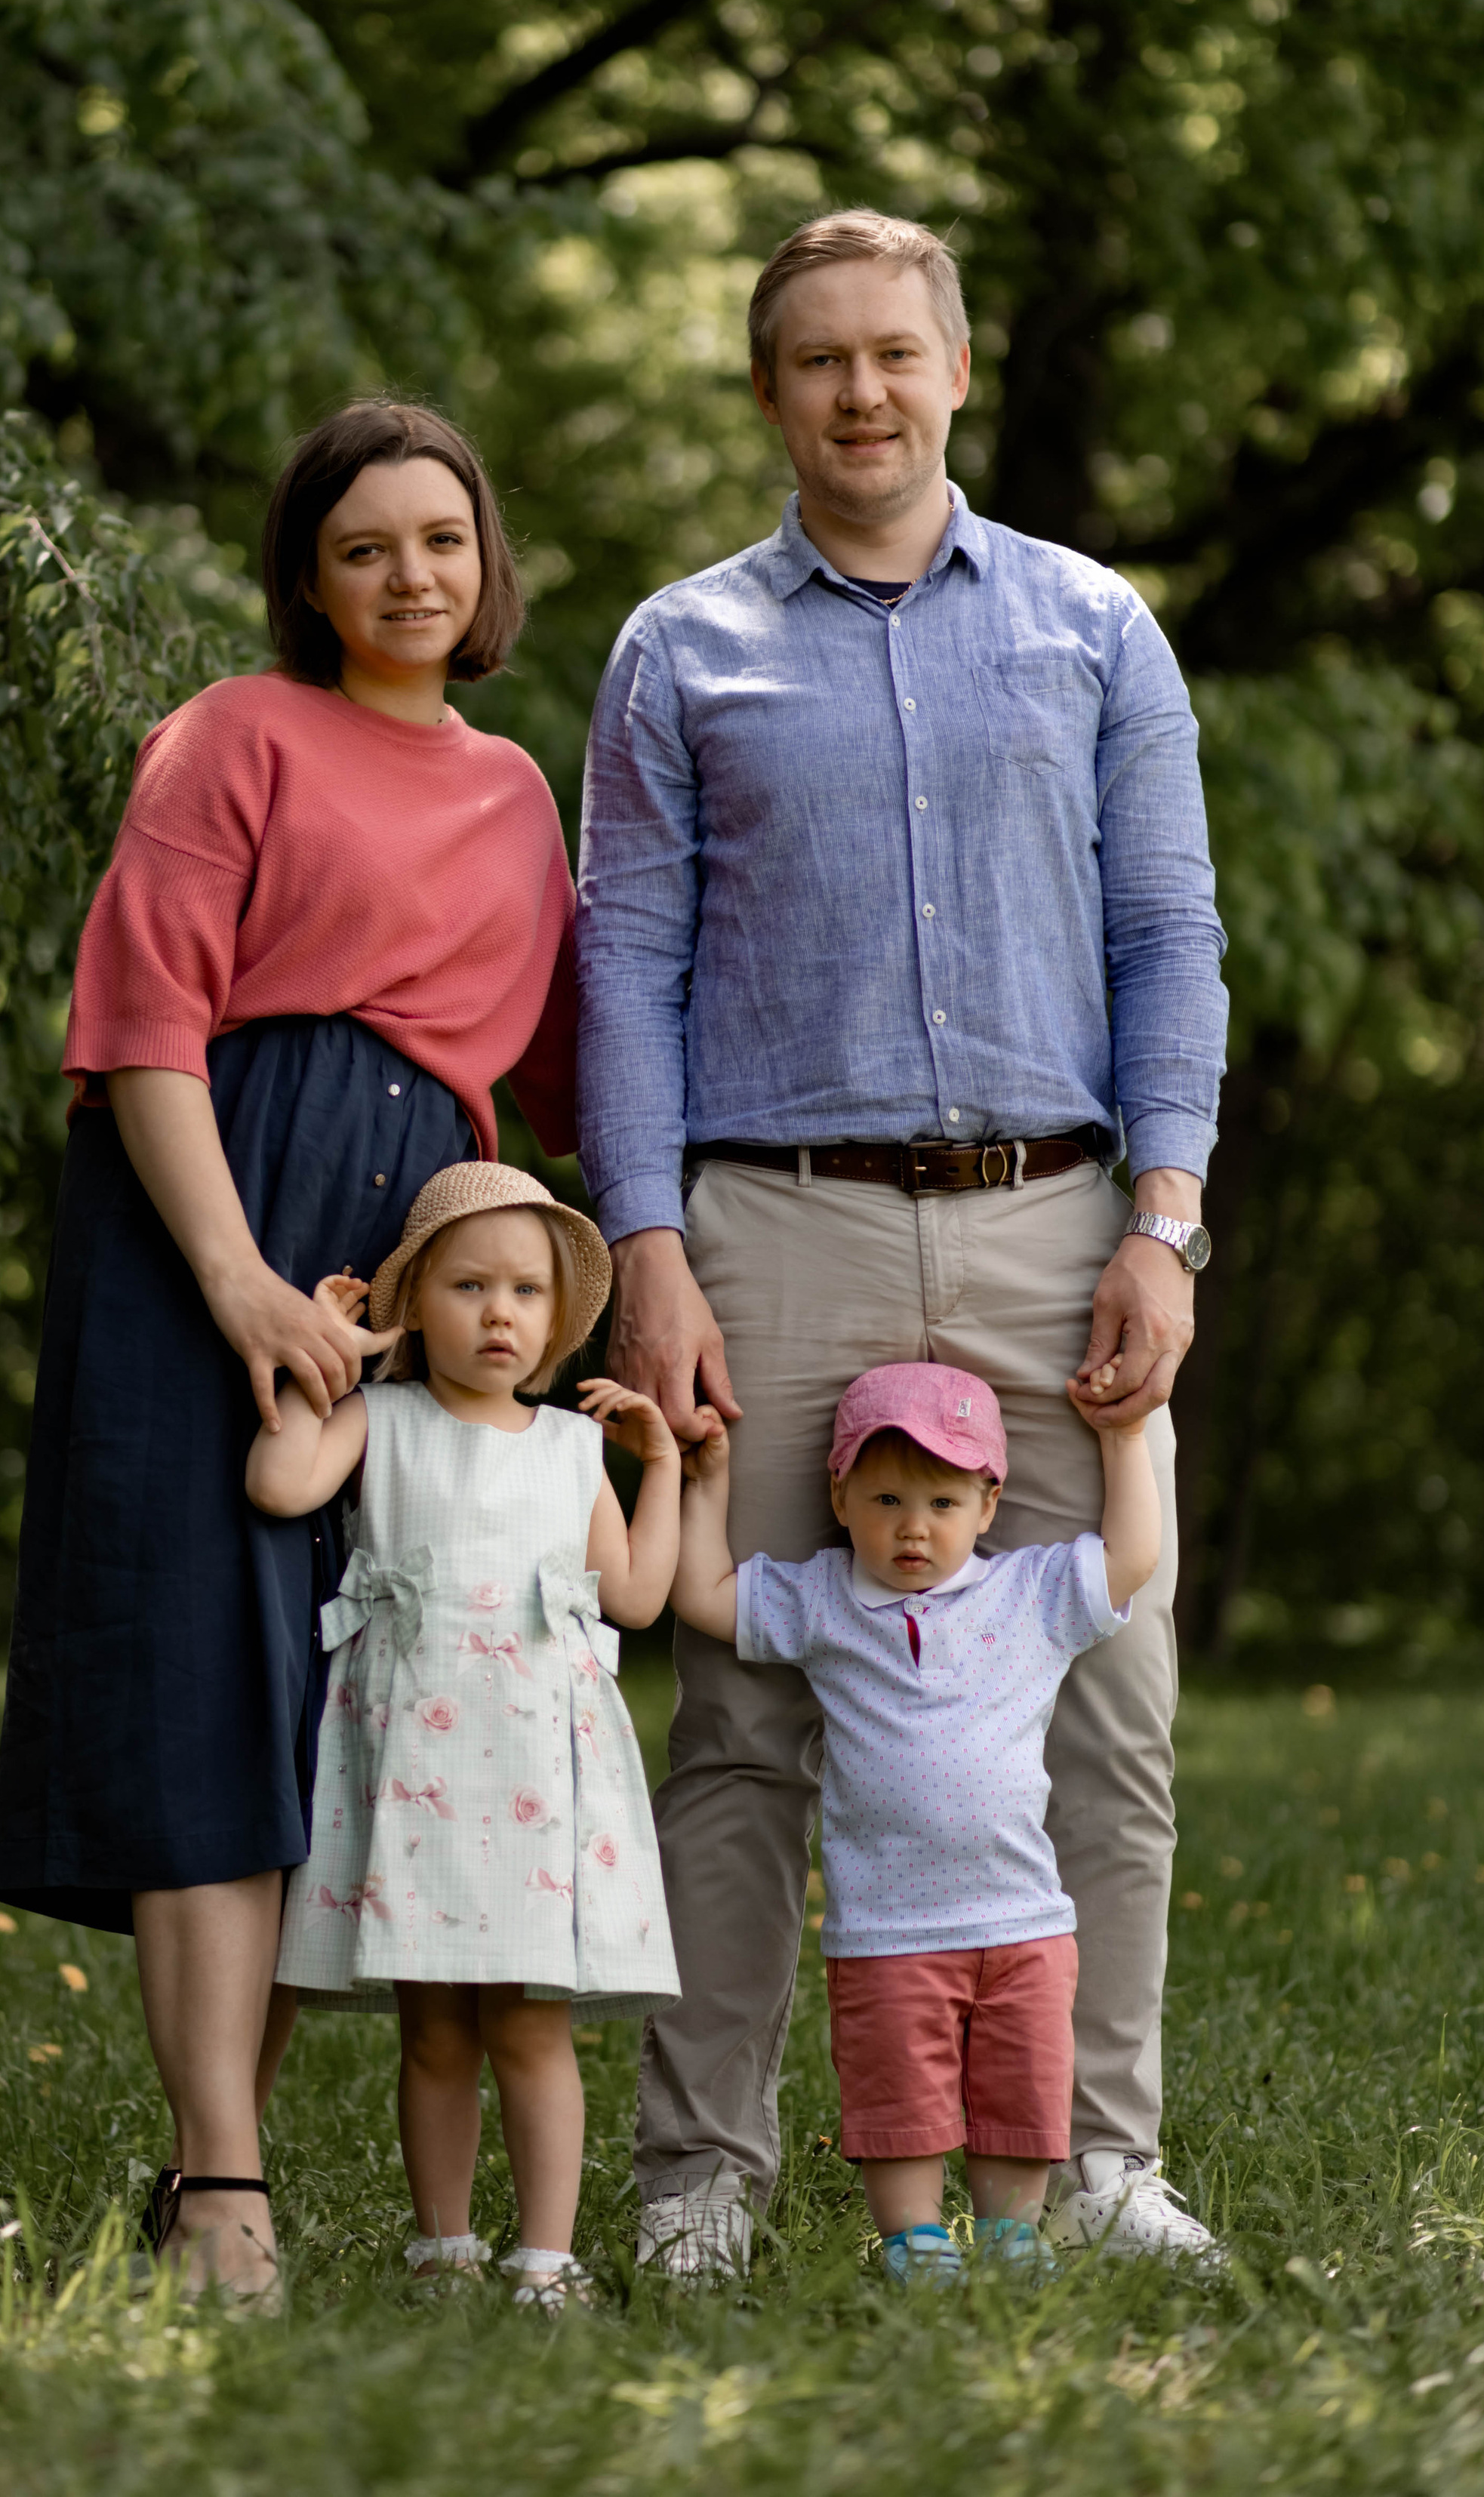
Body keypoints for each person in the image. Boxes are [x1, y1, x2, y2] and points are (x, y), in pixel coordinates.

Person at [577, 208, 1230, 2276]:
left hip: (1056, 1229)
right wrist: (650, 1246)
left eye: (895, 351)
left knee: (1110, 1691)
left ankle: (1104, 2159)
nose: (862, 389)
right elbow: (630, 962)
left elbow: (1167, 934)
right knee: (744, 1721)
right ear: (771, 392)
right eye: (818, 359)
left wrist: (1168, 1220)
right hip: (776, 1228)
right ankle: (704, 2182)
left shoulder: (1093, 626)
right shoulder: (682, 649)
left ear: (957, 372)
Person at [0, 402, 580, 2302]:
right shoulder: (229, 736)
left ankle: (211, 2155)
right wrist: (238, 1278)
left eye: (441, 538)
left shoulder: (515, 794)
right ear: (306, 577)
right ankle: (221, 2179)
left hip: (419, 1245)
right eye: (363, 546)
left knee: (354, 1698)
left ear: (485, 562)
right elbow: (139, 1020)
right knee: (200, 1677)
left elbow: (569, 1069)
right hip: (209, 1210)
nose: (410, 573)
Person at [254, 1165, 698, 2310]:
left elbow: (641, 1597)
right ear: (415, 1305)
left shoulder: (566, 1449)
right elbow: (277, 1481)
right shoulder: (381, 1420)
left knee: (531, 2029)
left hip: (537, 1783)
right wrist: (326, 1366)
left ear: (556, 1319)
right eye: (467, 1286)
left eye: (525, 1292)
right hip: (415, 1775)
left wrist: (666, 1470)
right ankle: (443, 2249)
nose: (499, 1313)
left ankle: (545, 2261)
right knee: (437, 2033)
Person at [671, 1360, 1162, 2283]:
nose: (912, 1526)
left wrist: (1124, 1438)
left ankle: (1012, 2238)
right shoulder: (820, 1599)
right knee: (899, 2098)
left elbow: (1129, 1558)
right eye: (887, 1497)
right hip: (886, 1930)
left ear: (987, 1505)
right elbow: (702, 1596)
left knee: (1021, 2092)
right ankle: (913, 2241)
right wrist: (707, 1482)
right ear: (839, 1495)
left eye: (942, 1501)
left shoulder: (1030, 1594)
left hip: (1021, 1920)